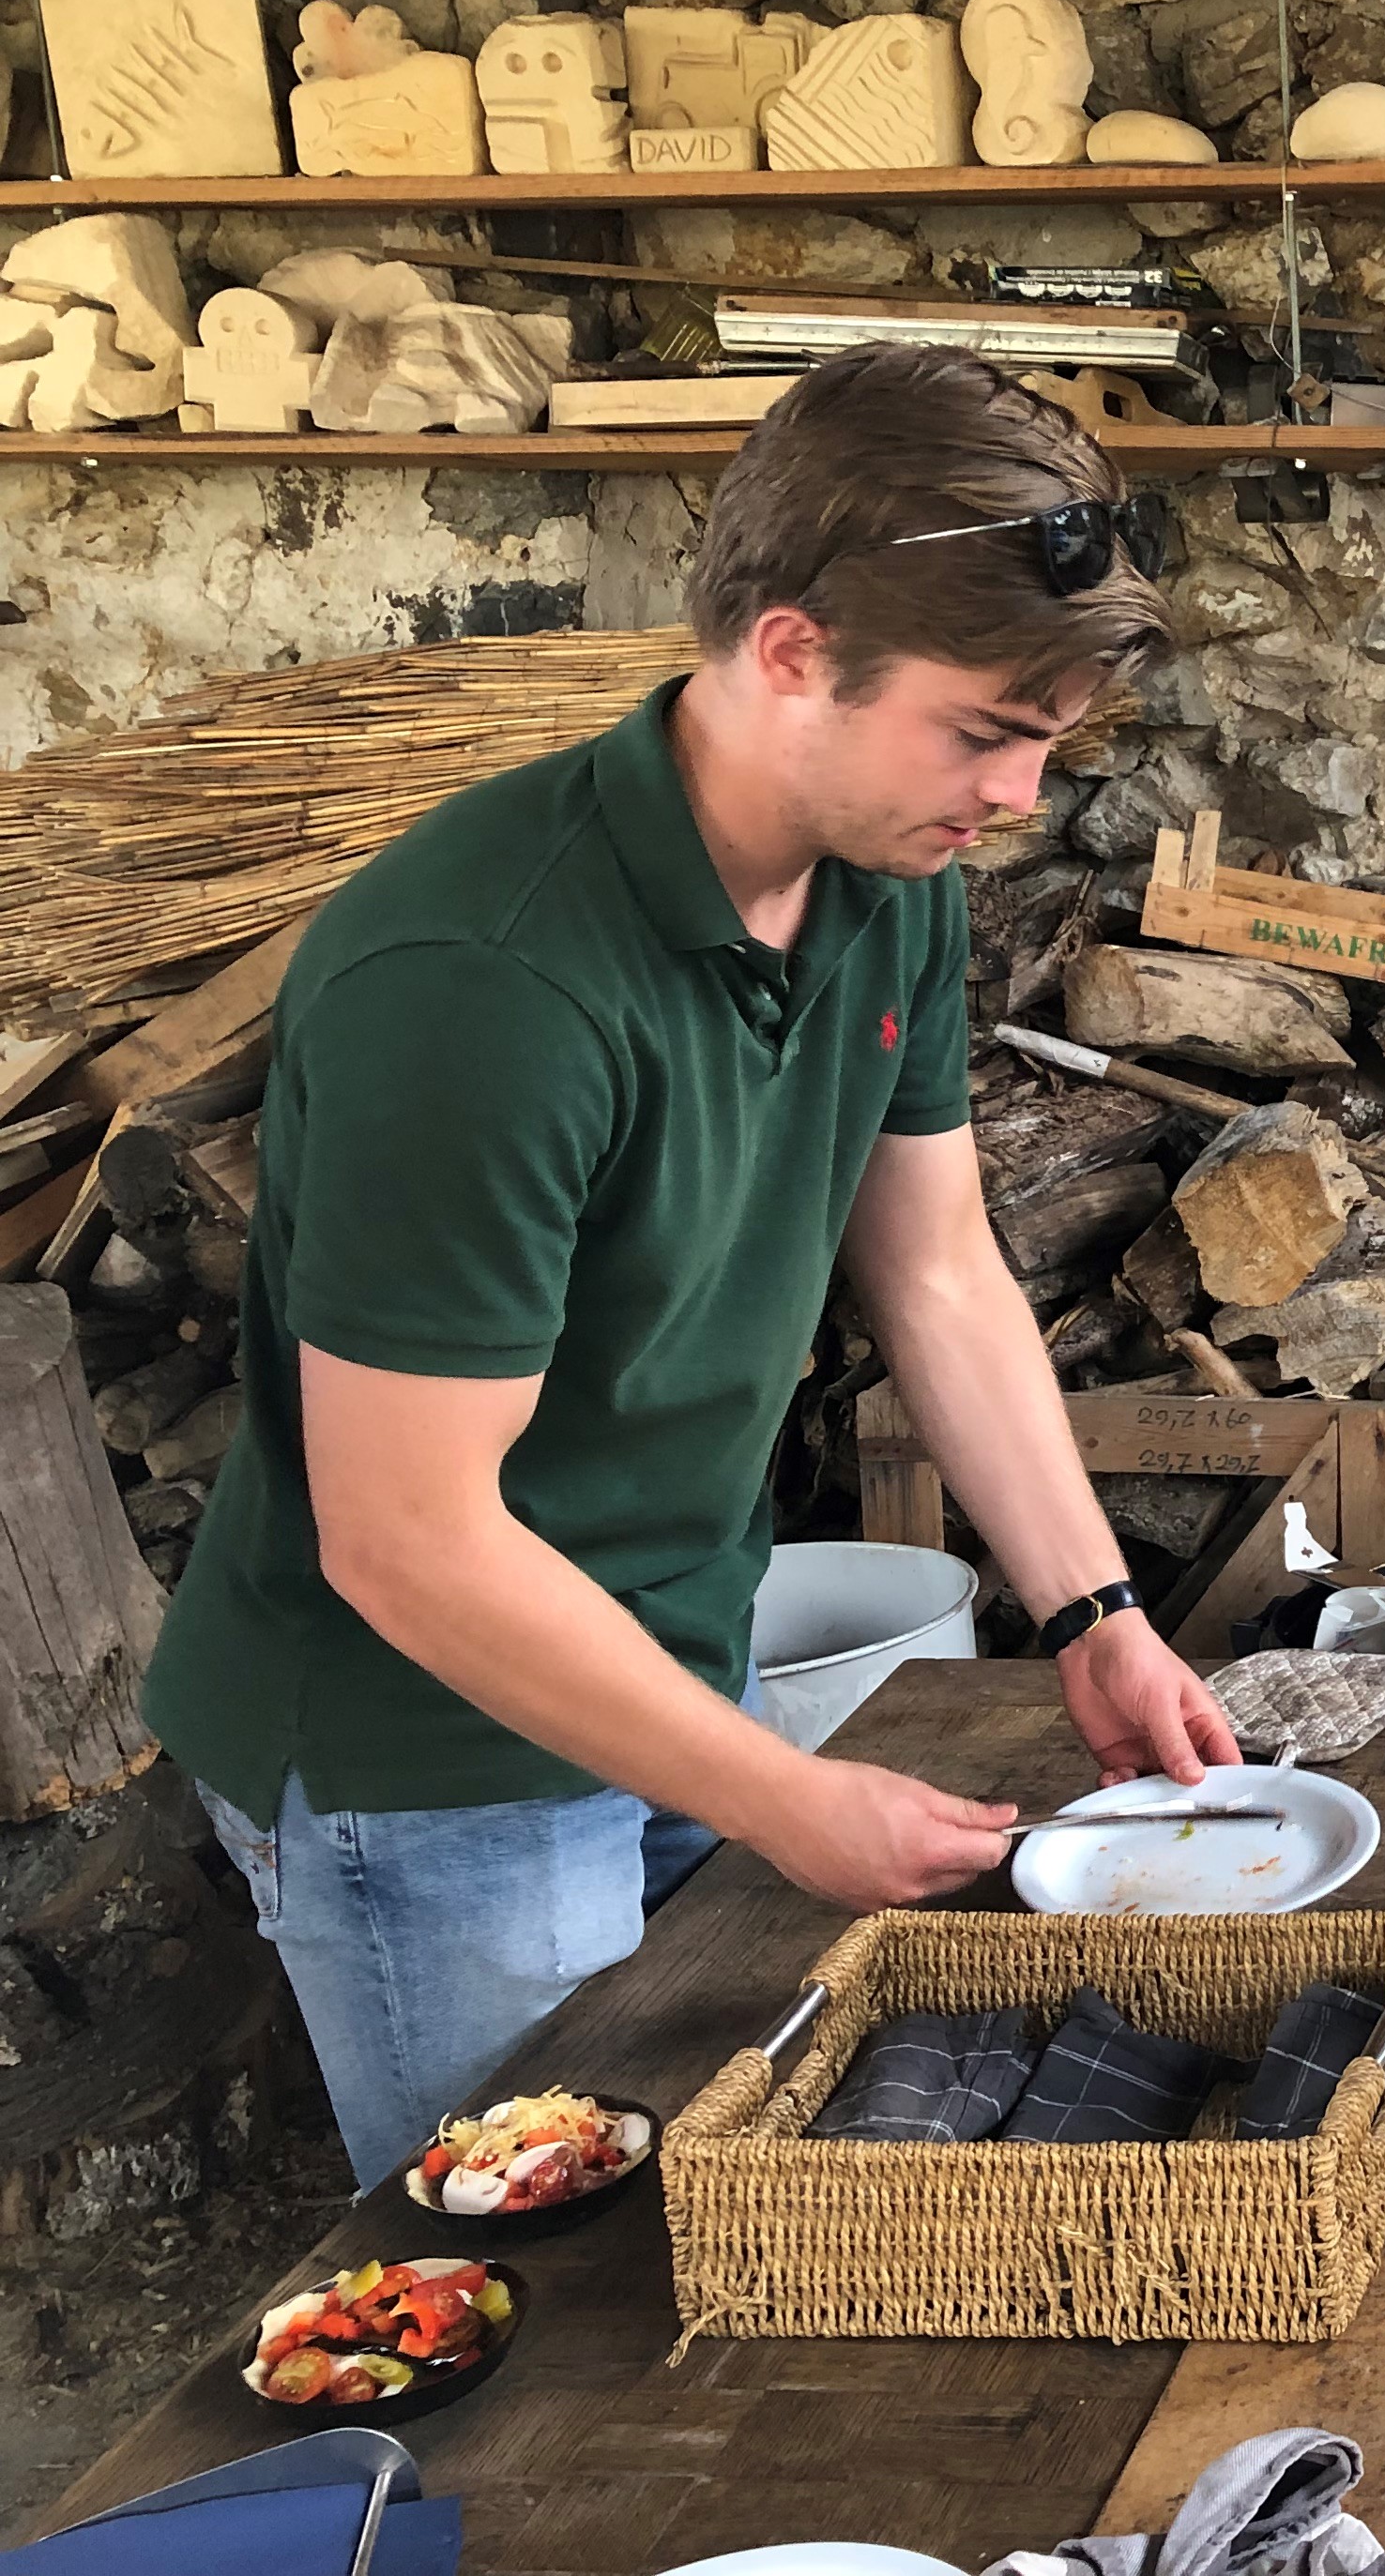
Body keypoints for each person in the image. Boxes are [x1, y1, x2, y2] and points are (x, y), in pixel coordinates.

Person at [142, 346, 1240, 2192]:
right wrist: (782, 1798)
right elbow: (405, 1537)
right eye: (986, 731)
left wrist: (1094, 1613)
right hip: (428, 1749)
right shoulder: (485, 984)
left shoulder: (884, 864)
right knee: (539, 2298)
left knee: (713, 2215)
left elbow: (944, 1266)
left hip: (672, 1659)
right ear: (793, 652)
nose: (1021, 794)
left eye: (1047, 742)